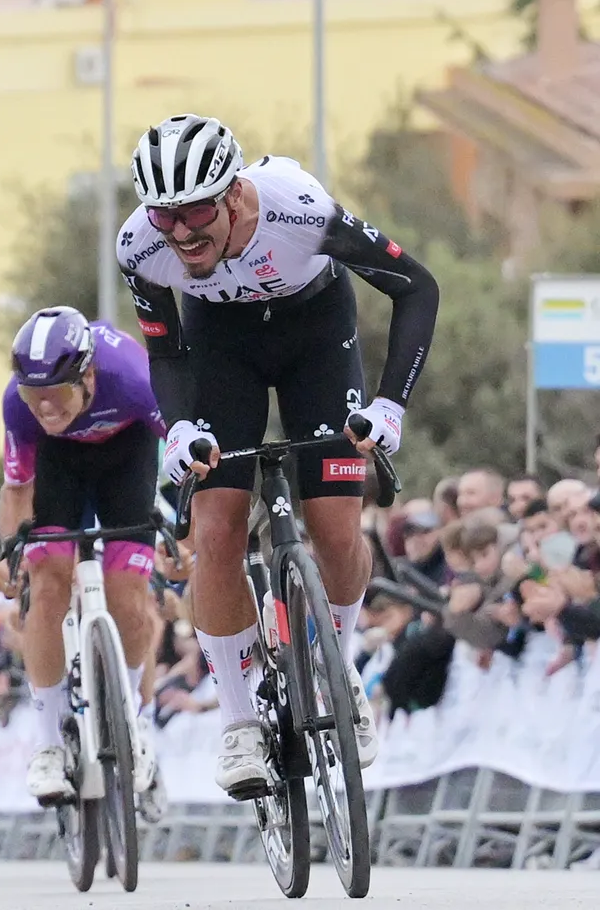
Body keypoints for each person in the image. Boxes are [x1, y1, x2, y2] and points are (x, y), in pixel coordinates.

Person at [121, 114, 439, 798]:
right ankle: (239, 723)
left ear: (234, 193)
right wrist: (177, 430)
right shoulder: (140, 246)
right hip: (218, 351)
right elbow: (166, 349)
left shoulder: (300, 209)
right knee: (215, 529)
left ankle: (339, 663)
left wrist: (389, 405)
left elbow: (416, 286)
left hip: (315, 336)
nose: (182, 232)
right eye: (165, 216)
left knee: (335, 524)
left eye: (197, 210)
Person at [0, 306, 168, 818]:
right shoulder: (19, 405)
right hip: (58, 470)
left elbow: (187, 455)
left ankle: (133, 718)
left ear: (88, 375)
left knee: (127, 595)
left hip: (126, 460)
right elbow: (17, 488)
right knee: (45, 587)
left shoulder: (133, 376)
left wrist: (193, 533)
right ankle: (48, 743)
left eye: (57, 394)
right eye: (34, 396)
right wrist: (12, 555)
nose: (45, 408)